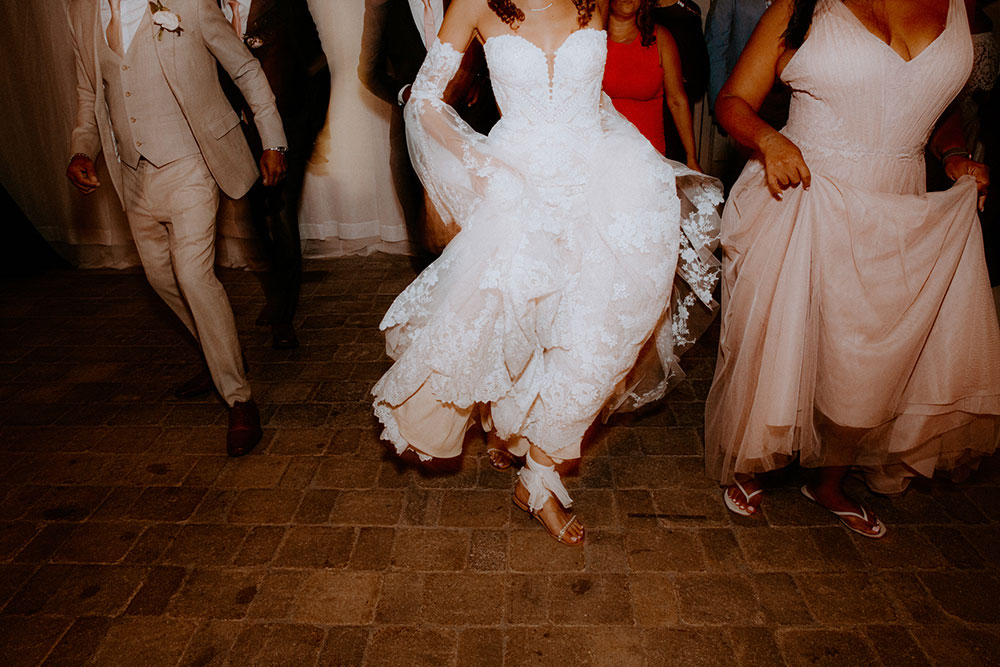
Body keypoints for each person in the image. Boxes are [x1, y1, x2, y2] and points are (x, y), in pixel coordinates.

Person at [371, 0, 722, 545]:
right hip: (518, 184)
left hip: (601, 179)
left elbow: (592, 96)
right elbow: (424, 101)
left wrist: (633, 155)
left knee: (600, 335)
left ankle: (540, 467)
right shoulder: (474, 5)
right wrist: (479, 168)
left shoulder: (595, 1)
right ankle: (520, 446)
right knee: (523, 321)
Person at [704, 0, 999, 538]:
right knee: (793, 334)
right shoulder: (801, 8)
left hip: (899, 204)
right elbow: (732, 101)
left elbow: (933, 104)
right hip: (805, 190)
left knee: (870, 350)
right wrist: (769, 139)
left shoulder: (956, 6)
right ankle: (757, 463)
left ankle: (829, 480)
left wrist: (953, 152)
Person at [66, 0, 287, 457]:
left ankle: (239, 397)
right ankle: (216, 350)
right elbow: (90, 93)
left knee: (192, 274)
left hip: (192, 162)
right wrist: (82, 150)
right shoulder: (86, 15)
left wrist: (272, 139)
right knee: (160, 278)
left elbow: (245, 69)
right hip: (132, 173)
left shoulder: (190, 3)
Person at [218, 0, 330, 350]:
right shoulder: (203, 8)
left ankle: (283, 317)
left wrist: (310, 131)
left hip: (286, 131)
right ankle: (276, 293)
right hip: (236, 132)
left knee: (281, 217)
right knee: (252, 220)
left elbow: (318, 67)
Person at [359, 0, 498, 257]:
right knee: (426, 241)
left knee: (487, 235)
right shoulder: (383, 5)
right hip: (414, 136)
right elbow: (369, 73)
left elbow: (500, 44)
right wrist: (405, 94)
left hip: (477, 130)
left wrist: (481, 78)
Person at [603, 0, 701, 169]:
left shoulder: (662, 39)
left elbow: (677, 101)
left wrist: (691, 158)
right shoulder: (590, 41)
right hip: (601, 156)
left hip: (650, 159)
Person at [650, 0, 710, 161]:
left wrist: (687, 85)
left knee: (676, 159)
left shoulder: (689, 11)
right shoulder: (640, 11)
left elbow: (700, 63)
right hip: (650, 97)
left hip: (679, 98)